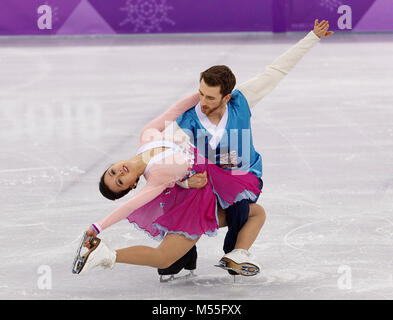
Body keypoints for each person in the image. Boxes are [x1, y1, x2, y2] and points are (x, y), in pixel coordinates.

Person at [156, 19, 334, 275]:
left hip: (243, 173)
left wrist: (312, 37)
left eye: (210, 97)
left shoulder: (241, 102)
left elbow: (276, 71)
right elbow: (160, 151)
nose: (202, 101)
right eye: (200, 93)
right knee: (185, 200)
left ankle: (235, 254)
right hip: (208, 178)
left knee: (241, 205)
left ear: (226, 97)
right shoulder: (187, 120)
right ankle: (183, 254)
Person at [77, 94, 263, 276]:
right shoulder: (156, 176)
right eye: (119, 182)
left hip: (213, 180)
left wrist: (203, 96)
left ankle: (236, 254)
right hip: (197, 207)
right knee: (163, 257)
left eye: (113, 171)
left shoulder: (147, 137)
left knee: (255, 212)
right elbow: (129, 206)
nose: (119, 173)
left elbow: (175, 110)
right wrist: (98, 226)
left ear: (114, 163)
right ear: (133, 184)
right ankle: (107, 255)